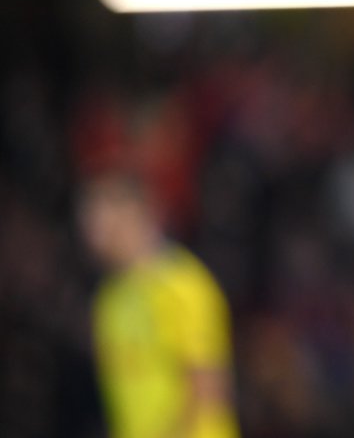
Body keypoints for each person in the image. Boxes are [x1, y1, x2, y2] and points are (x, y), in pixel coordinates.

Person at [79, 172, 240, 438]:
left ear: (134, 214)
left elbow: (208, 390)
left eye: (98, 220)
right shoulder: (110, 298)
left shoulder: (184, 287)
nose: (91, 235)